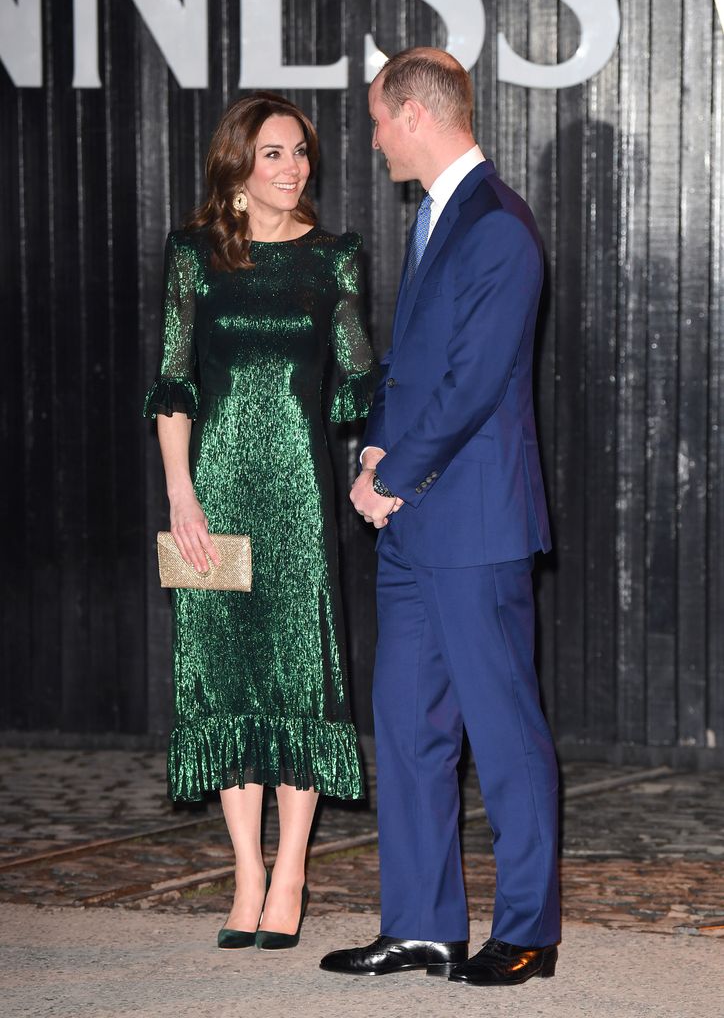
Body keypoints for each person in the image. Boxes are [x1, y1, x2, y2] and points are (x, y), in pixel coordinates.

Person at [320, 48, 560, 986]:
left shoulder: (498, 226)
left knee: (502, 734)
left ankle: (529, 930)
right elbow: (411, 368)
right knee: (411, 730)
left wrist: (394, 473)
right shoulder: (433, 216)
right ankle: (422, 924)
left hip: (472, 527)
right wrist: (373, 453)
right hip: (415, 523)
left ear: (415, 115)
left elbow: (473, 384)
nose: (373, 137)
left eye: (378, 119)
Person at [143, 92, 376, 951]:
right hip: (212, 496)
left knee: (298, 677)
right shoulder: (192, 257)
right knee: (222, 675)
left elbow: (358, 375)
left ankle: (292, 875)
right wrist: (180, 491)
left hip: (299, 498)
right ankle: (245, 871)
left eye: (302, 153)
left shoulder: (333, 260)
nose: (294, 168)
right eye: (276, 153)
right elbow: (174, 384)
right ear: (238, 169)